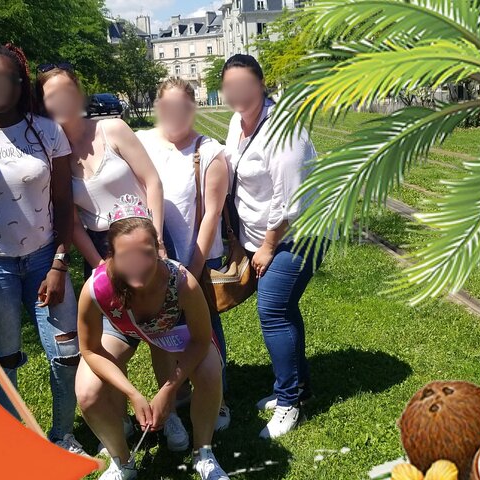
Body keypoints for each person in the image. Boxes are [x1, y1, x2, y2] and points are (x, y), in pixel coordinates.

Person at [0, 44, 83, 453]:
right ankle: (11, 445)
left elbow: (63, 201)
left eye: (10, 78)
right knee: (4, 357)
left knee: (66, 351)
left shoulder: (46, 132)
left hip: (45, 256)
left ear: (20, 84)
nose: (1, 86)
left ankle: (63, 434)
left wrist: (60, 263)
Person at [75, 195, 229, 480]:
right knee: (88, 393)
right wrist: (133, 394)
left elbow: (200, 339)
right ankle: (122, 462)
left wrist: (168, 390)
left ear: (158, 247)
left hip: (173, 329)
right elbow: (90, 349)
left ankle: (204, 453)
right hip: (123, 330)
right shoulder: (95, 288)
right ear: (110, 254)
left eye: (146, 253)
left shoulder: (181, 281)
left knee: (210, 371)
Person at [222, 54, 328, 439]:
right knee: (284, 309)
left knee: (272, 310)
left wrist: (267, 246)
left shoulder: (285, 128)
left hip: (298, 234)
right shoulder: (237, 123)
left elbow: (291, 199)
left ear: (261, 84)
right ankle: (300, 387)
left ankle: (288, 402)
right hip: (260, 235)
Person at [136, 78, 231, 444]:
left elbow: (212, 214)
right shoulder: (142, 142)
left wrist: (192, 269)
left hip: (196, 256)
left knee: (204, 329)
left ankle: (216, 398)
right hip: (155, 258)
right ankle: (174, 400)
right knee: (162, 331)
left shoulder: (209, 151)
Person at [35, 64, 168, 279]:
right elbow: (72, 221)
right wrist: (99, 266)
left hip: (146, 234)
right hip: (100, 248)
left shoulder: (113, 129)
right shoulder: (52, 157)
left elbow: (152, 181)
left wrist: (157, 240)